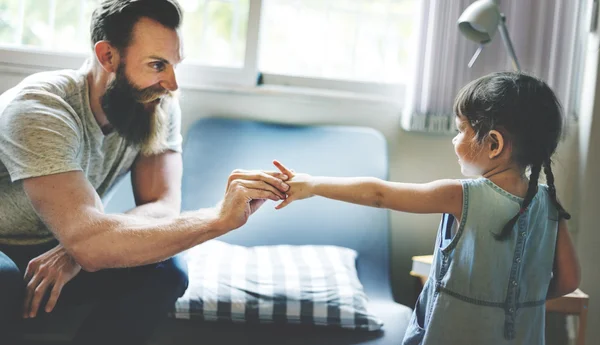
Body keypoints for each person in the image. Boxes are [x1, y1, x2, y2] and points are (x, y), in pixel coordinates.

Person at [0, 0, 289, 344]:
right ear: (108, 56)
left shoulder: (156, 103)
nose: (172, 83)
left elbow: (162, 207)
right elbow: (90, 245)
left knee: (166, 270)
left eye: (174, 65)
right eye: (156, 65)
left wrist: (78, 248)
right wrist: (218, 219)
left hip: (60, 240)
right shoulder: (41, 110)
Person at [272, 72, 581, 344]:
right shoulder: (551, 206)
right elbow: (569, 281)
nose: (454, 140)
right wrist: (517, 298)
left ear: (494, 144)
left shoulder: (460, 195)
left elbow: (378, 194)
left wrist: (312, 185)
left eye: (461, 130)